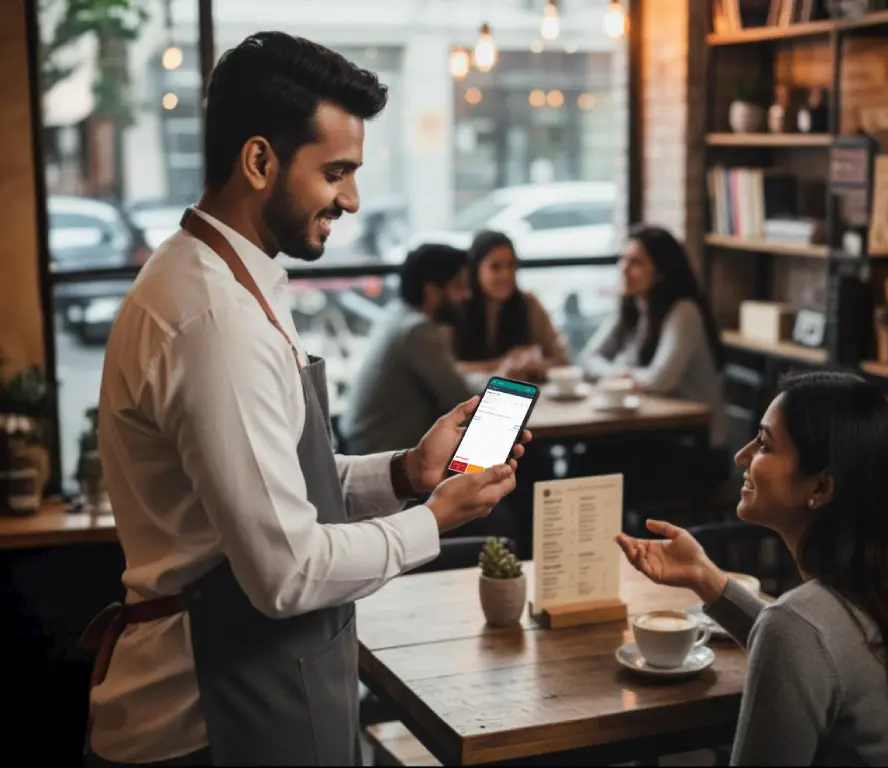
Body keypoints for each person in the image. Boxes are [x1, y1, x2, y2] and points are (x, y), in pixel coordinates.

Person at [82, 32, 528, 768]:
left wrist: (407, 473)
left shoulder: (229, 278)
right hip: (205, 720)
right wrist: (432, 521)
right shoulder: (213, 321)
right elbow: (286, 570)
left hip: (251, 688)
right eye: (336, 171)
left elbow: (276, 477)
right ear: (259, 161)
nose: (352, 198)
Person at [616, 372, 888, 766]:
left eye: (764, 444)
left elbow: (800, 638)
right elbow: (817, 647)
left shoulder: (796, 627)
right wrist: (707, 579)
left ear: (820, 489)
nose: (742, 456)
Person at [580, 224, 727, 449]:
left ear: (660, 272)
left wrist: (621, 376)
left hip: (695, 439)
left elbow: (661, 381)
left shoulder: (683, 311)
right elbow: (588, 358)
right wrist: (621, 374)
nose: (623, 268)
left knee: (598, 454)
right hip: (656, 430)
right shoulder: (632, 306)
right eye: (623, 259)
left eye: (635, 262)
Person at [342, 243, 474, 456]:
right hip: (387, 459)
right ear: (432, 292)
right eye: (459, 286)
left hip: (365, 448)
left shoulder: (398, 314)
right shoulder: (417, 330)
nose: (467, 295)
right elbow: (464, 404)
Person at [453, 230, 570, 384]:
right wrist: (502, 364)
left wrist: (534, 364)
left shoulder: (528, 303)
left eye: (511, 265)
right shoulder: (457, 306)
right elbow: (446, 370)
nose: (506, 275)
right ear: (476, 270)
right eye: (495, 267)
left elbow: (563, 362)